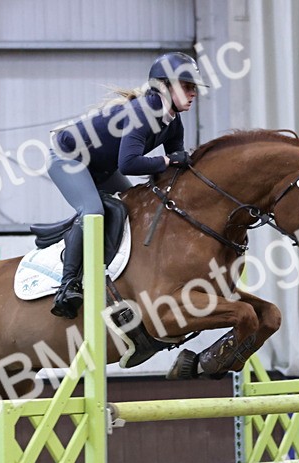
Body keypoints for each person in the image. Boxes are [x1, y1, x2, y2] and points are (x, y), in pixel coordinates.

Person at [46, 52, 205, 319]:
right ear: (164, 86)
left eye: (194, 87)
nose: (193, 93)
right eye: (186, 86)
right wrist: (167, 160)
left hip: (101, 167)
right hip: (67, 159)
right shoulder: (142, 114)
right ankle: (68, 285)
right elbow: (129, 163)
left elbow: (175, 168)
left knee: (132, 206)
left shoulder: (173, 123)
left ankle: (117, 274)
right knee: (94, 211)